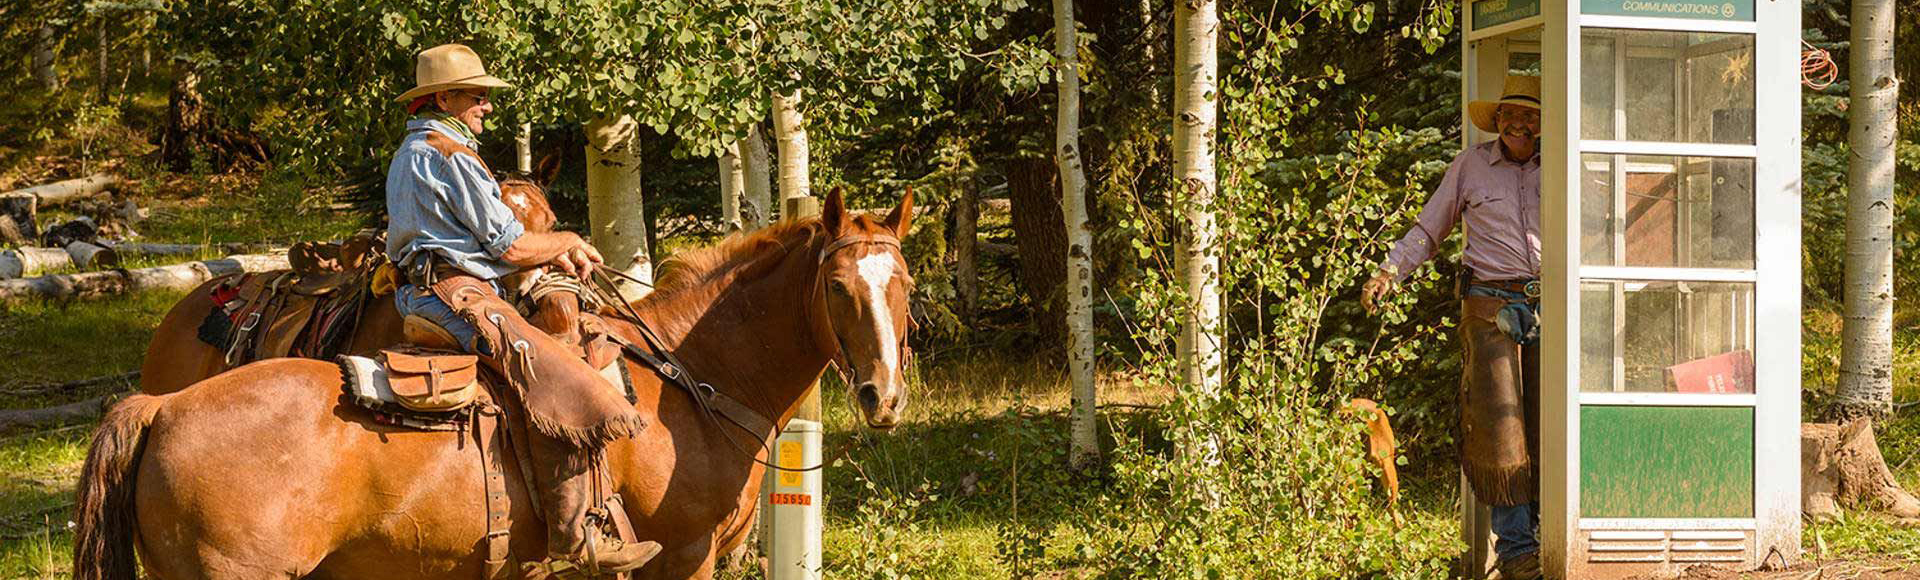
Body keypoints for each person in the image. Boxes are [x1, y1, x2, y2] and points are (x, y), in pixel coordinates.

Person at [385, 43, 661, 576]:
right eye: (476, 97)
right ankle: (574, 536)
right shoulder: (448, 153)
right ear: (444, 96)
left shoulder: (412, 149)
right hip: (457, 296)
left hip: (427, 289)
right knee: (558, 377)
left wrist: (562, 246)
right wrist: (567, 240)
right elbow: (508, 247)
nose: (486, 107)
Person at [1361, 74, 1544, 580]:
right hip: (1488, 305)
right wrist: (1388, 273)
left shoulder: (1560, 166)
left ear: (1543, 123)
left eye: (1530, 116)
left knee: (1549, 421)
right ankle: (1515, 551)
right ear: (1497, 118)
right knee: (1501, 428)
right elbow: (1429, 228)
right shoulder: (1470, 166)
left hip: (1551, 304)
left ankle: (1549, 535)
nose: (1519, 124)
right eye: (1511, 114)